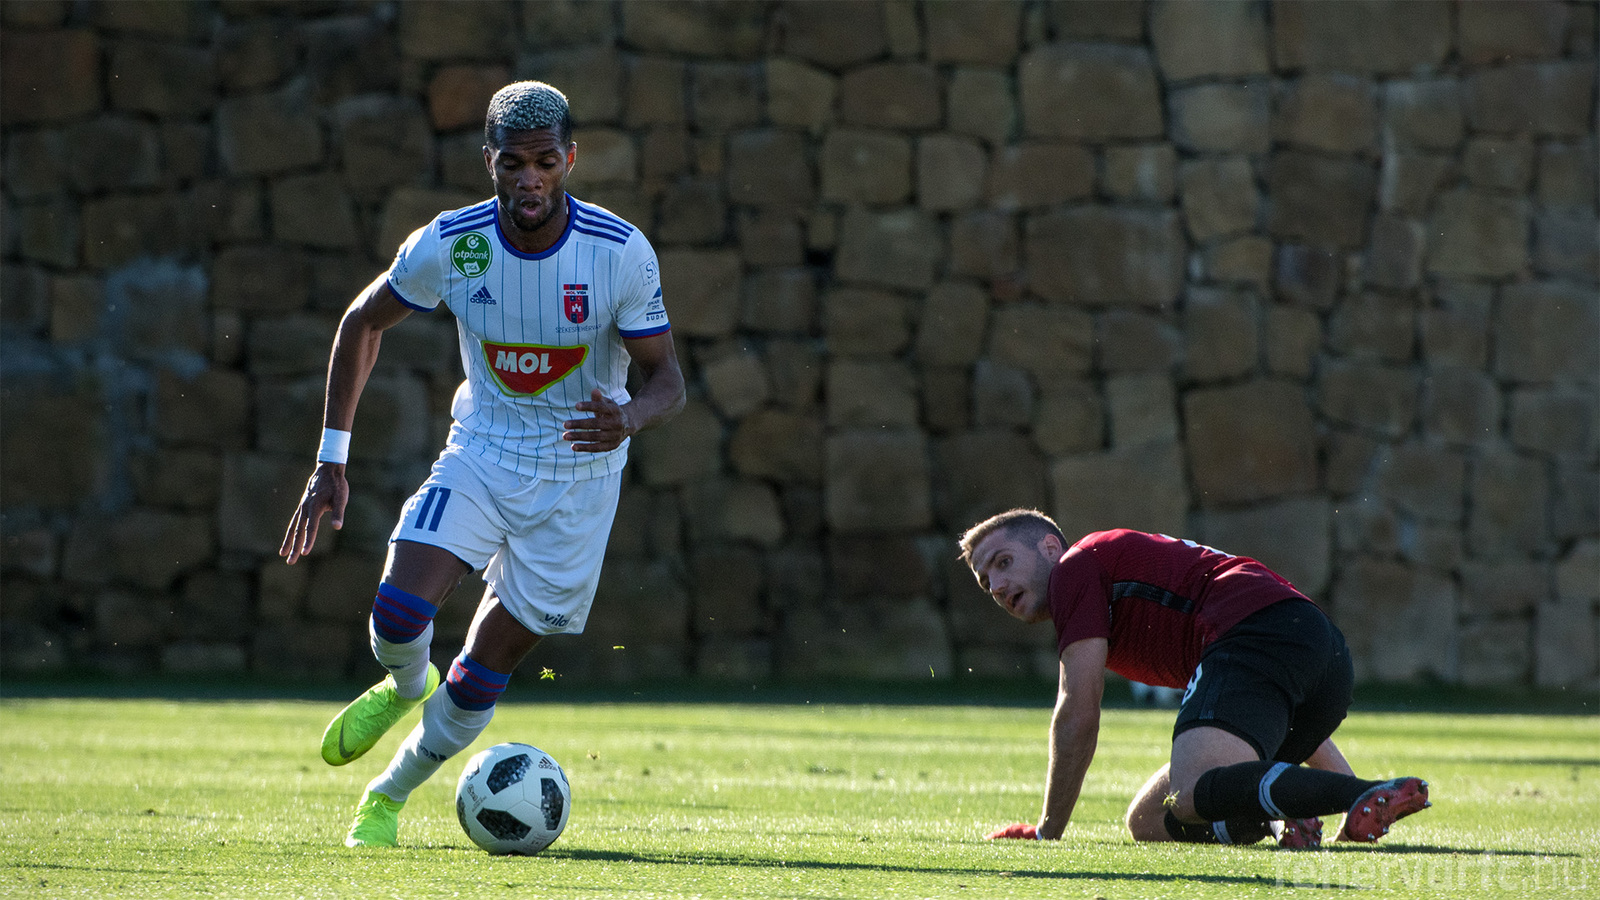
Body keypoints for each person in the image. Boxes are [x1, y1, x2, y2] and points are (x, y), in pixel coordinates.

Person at [279, 81, 685, 848]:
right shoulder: (452, 244)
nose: (529, 180)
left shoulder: (618, 252)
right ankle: (406, 682)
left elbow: (668, 379)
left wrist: (629, 417)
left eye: (544, 163)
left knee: (478, 675)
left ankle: (386, 797)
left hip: (579, 481)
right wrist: (330, 460)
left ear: (570, 160)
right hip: (484, 454)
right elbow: (363, 323)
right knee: (398, 615)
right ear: (488, 164)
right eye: (512, 164)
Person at [960, 509, 1430, 849]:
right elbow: (1269, 710)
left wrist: (1048, 831)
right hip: (1323, 655)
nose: (996, 586)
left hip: (1257, 633)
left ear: (1049, 547)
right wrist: (1351, 807)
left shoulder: (1073, 571)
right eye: (985, 582)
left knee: (1189, 791)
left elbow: (1077, 711)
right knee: (1148, 819)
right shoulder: (1102, 582)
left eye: (1003, 562)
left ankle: (1356, 793)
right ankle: (1289, 813)